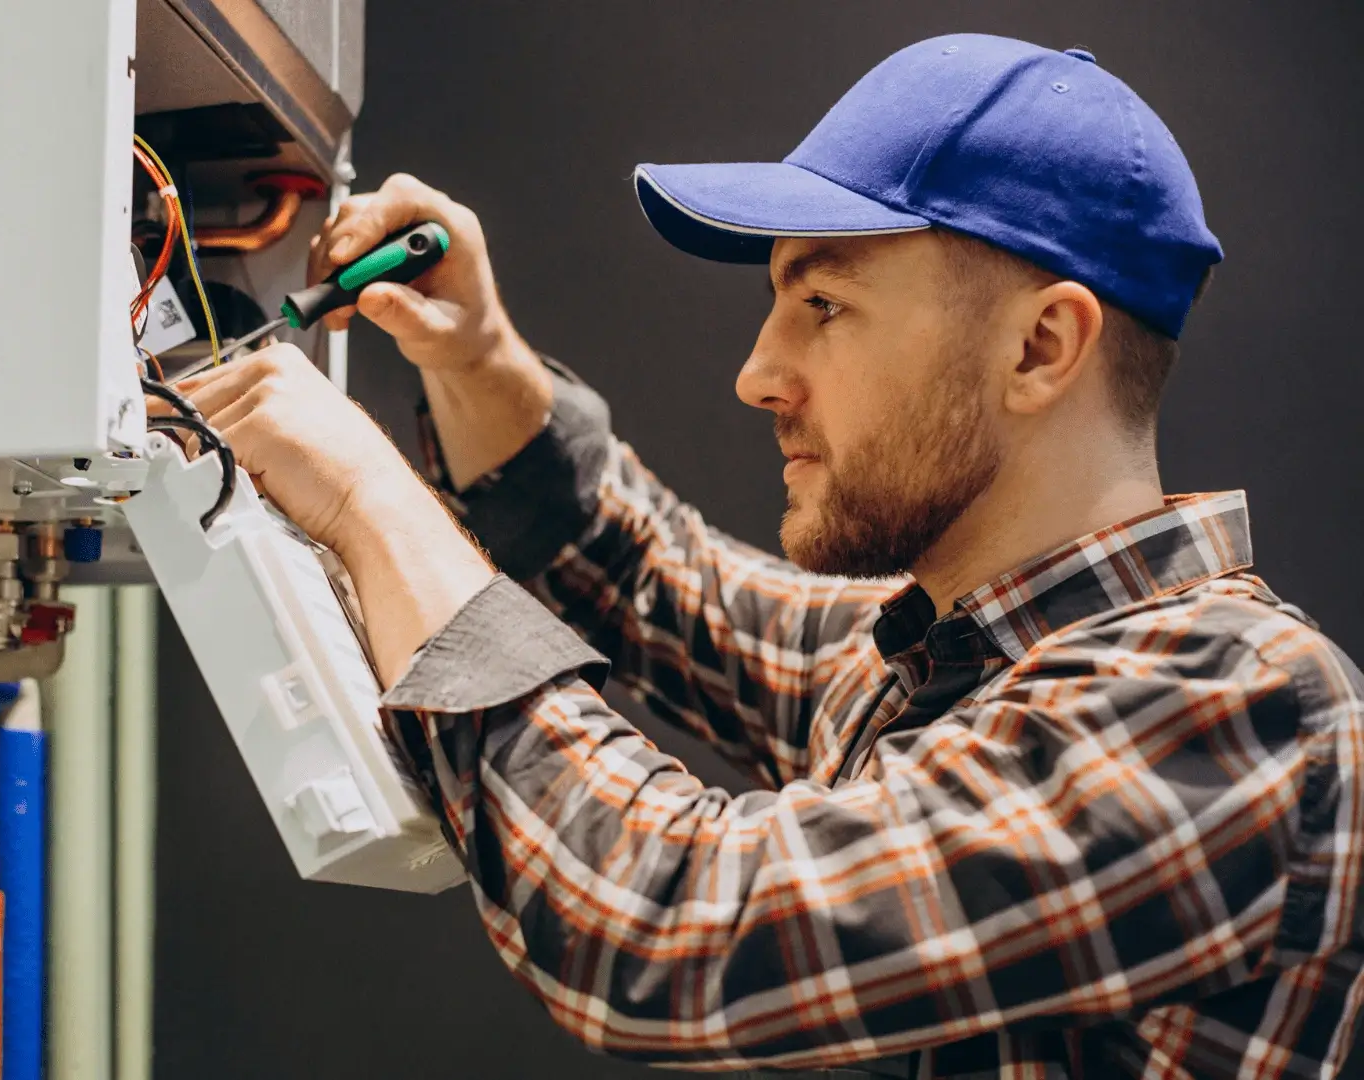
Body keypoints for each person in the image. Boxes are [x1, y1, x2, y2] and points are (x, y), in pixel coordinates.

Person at [171, 34, 1363, 1079]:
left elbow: (667, 923)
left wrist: (374, 499)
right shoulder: (948, 657)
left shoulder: (1234, 707)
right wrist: (479, 357)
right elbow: (653, 581)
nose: (758, 374)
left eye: (825, 306)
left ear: (1042, 346)